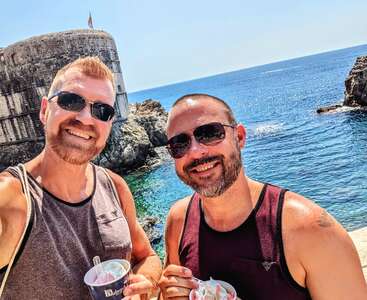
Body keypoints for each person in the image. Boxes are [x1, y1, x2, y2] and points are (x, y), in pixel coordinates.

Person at [158, 93, 367, 300]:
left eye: (210, 133)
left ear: (239, 137)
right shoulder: (179, 220)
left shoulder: (312, 230)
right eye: (179, 144)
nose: (195, 151)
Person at [0, 57, 162, 299]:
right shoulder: (12, 199)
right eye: (71, 101)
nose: (86, 118)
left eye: (102, 110)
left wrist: (145, 283)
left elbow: (147, 256)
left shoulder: (115, 186)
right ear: (45, 110)